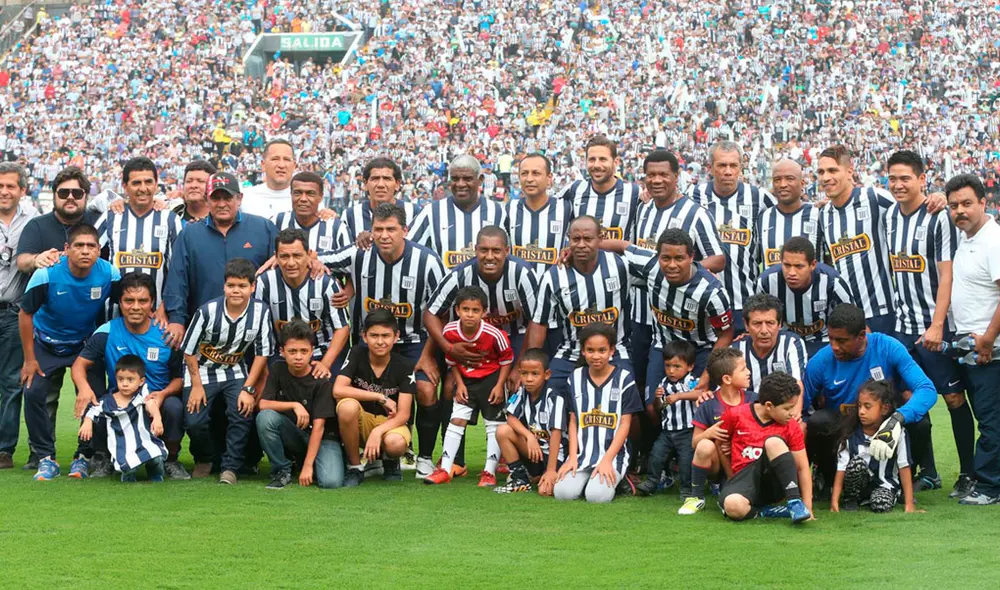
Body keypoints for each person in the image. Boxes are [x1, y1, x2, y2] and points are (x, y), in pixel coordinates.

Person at [320, 203, 444, 479]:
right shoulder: (358, 255)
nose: (384, 235)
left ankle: (423, 456)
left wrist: (426, 355)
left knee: (424, 390)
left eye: (391, 229)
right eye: (378, 229)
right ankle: (372, 458)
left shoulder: (427, 261)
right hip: (370, 340)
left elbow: (441, 312)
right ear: (370, 230)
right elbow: (314, 258)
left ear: (405, 231)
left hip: (413, 341)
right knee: (357, 393)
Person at [885, 150, 963, 493]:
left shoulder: (938, 217)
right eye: (893, 178)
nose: (899, 185)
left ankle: (971, 472)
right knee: (909, 397)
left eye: (906, 178)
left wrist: (937, 323)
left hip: (934, 326)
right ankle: (928, 471)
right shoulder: (887, 215)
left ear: (921, 179)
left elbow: (946, 275)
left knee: (953, 399)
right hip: (902, 327)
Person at [802, 304, 937, 498]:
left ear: (861, 336)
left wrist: (897, 419)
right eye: (830, 338)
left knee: (920, 422)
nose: (834, 346)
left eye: (842, 341)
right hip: (844, 431)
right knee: (817, 422)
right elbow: (800, 406)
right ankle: (830, 480)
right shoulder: (821, 361)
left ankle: (897, 482)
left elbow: (926, 389)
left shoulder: (888, 347)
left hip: (883, 426)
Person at [19, 224, 120, 481]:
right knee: (33, 392)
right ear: (66, 249)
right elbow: (25, 313)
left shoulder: (109, 273)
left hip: (84, 345)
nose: (85, 251)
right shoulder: (47, 274)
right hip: (46, 343)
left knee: (95, 396)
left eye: (91, 246)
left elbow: (129, 303)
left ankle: (83, 456)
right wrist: (30, 359)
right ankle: (45, 457)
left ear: (99, 250)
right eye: (79, 246)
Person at [631, 150, 725, 409]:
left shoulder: (695, 213)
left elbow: (718, 259)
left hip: (685, 320)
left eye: (663, 174)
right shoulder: (644, 209)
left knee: (688, 395)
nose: (657, 180)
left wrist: (678, 277)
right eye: (651, 175)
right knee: (648, 390)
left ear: (676, 176)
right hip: (645, 315)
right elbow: (632, 251)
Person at [70, 272, 186, 480]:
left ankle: (170, 459)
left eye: (143, 301)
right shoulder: (106, 332)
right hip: (121, 400)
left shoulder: (166, 334)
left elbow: (179, 378)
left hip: (156, 401)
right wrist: (84, 389)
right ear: (120, 303)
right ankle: (103, 457)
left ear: (152, 303)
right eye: (129, 300)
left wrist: (163, 394)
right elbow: (79, 365)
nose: (135, 307)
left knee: (174, 407)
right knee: (97, 401)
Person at [180, 258, 273, 484]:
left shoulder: (261, 311)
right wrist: (197, 386)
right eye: (231, 285)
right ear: (224, 286)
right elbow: (188, 351)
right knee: (194, 421)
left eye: (242, 286)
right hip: (200, 370)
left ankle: (231, 467)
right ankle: (205, 458)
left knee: (241, 412)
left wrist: (248, 388)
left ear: (252, 287)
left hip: (235, 370)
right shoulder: (207, 312)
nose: (236, 291)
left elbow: (262, 353)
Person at [163, 172, 277, 348]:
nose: (222, 204)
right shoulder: (190, 235)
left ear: (239, 198)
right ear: (207, 200)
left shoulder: (263, 228)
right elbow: (177, 280)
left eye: (228, 197)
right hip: (205, 330)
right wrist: (177, 319)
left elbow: (284, 262)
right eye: (216, 198)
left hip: (253, 330)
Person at [526, 216, 635, 394]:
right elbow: (540, 322)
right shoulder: (554, 276)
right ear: (568, 240)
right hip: (572, 351)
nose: (581, 245)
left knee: (627, 394)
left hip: (615, 351)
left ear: (600, 238)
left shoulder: (620, 265)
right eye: (576, 239)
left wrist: (620, 245)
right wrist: (532, 363)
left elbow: (654, 264)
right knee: (551, 394)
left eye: (588, 239)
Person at [424, 286, 514, 487]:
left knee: (493, 424)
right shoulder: (449, 331)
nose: (470, 315)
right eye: (466, 309)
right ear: (457, 311)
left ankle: (488, 472)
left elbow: (507, 360)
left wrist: (500, 385)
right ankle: (445, 469)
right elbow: (452, 360)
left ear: (484, 312)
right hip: (467, 381)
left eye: (475, 310)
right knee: (456, 420)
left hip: (492, 380)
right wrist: (460, 383)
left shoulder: (494, 334)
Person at [947, 173, 1000, 505]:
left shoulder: (993, 240)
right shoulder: (968, 238)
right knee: (988, 416)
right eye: (954, 206)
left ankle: (990, 486)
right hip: (971, 346)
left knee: (991, 418)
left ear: (984, 202)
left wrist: (989, 339)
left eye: (967, 203)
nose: (959, 211)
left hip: (989, 350)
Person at [687, 141, 777, 333]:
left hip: (744, 300)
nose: (728, 171)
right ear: (710, 168)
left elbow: (786, 213)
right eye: (721, 165)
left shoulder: (759, 197)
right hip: (703, 300)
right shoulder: (692, 195)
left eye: (733, 165)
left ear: (740, 167)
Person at [554, 323, 641, 503]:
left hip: (613, 455)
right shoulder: (575, 378)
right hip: (582, 455)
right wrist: (571, 457)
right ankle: (588, 480)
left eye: (602, 350)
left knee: (596, 497)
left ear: (612, 351)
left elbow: (625, 424)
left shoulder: (624, 378)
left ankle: (620, 479)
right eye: (590, 350)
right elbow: (573, 421)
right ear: (583, 351)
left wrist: (608, 460)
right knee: (562, 493)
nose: (596, 356)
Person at [256, 320, 343, 490]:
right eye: (292, 351)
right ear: (282, 352)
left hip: (323, 437)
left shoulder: (321, 380)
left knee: (331, 482)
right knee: (265, 418)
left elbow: (319, 427)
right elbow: (263, 404)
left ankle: (311, 461)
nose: (298, 357)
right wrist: (294, 405)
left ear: (312, 352)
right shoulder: (277, 369)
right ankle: (282, 470)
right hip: (296, 433)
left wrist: (308, 466)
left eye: (304, 351)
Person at [94, 156, 182, 322]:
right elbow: (87, 250)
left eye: (148, 182)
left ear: (156, 184)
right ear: (125, 186)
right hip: (114, 317)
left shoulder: (170, 219)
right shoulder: (111, 216)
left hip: (157, 318)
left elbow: (179, 271)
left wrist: (165, 307)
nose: (143, 188)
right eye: (136, 183)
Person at [717, 372, 813, 523]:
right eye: (788, 408)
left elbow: (802, 467)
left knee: (773, 442)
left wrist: (808, 507)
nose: (792, 413)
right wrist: (731, 476)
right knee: (733, 506)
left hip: (774, 484)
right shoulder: (735, 415)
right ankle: (765, 512)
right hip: (744, 481)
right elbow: (720, 444)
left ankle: (795, 503)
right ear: (769, 405)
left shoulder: (791, 425)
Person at [333, 309, 416, 487]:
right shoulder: (356, 353)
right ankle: (355, 466)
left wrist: (379, 431)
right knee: (347, 407)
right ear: (364, 336)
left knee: (395, 443)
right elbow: (338, 389)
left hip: (390, 424)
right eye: (374, 335)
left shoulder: (405, 365)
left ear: (396, 336)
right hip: (362, 420)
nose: (380, 341)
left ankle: (390, 460)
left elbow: (403, 414)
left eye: (386, 336)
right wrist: (380, 397)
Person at [256, 229, 350, 379]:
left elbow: (342, 328)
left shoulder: (325, 283)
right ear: (276, 257)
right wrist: (264, 371)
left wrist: (324, 364)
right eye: (285, 256)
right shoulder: (264, 283)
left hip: (321, 353)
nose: (291, 263)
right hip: (281, 356)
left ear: (309, 254)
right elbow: (259, 331)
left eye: (297, 256)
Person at [682, 347, 756, 515]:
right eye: (743, 369)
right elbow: (694, 442)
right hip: (717, 464)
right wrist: (709, 433)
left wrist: (737, 444)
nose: (749, 372)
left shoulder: (754, 400)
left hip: (746, 462)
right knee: (704, 446)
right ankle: (697, 497)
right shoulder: (708, 404)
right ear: (727, 379)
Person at [757, 237, 855, 357]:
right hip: (783, 344)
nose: (791, 272)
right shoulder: (766, 282)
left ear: (813, 264)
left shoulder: (832, 282)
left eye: (799, 266)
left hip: (823, 344)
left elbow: (852, 321)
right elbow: (757, 318)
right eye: (787, 265)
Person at [407, 155, 506, 270]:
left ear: (480, 180)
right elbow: (409, 249)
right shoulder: (431, 211)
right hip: (445, 287)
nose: (460, 184)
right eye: (455, 179)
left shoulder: (497, 212)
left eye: (467, 179)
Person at [831, 380, 916, 513]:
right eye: (859, 406)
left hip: (884, 485)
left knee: (880, 505)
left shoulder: (898, 433)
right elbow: (841, 469)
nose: (862, 412)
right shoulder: (850, 434)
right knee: (856, 464)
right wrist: (834, 502)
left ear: (884, 408)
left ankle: (881, 498)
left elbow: (904, 466)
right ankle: (851, 499)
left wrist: (909, 504)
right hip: (859, 486)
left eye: (867, 406)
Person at [79, 355, 167, 483]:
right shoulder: (108, 400)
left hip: (144, 441)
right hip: (122, 446)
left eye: (130, 380)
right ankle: (128, 474)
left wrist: (157, 418)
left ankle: (155, 472)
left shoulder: (142, 394)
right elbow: (93, 410)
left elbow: (151, 404)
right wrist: (87, 422)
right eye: (121, 379)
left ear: (141, 381)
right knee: (128, 465)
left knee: (156, 456)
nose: (125, 384)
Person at [0, 161, 36, 469]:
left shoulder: (33, 221)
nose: (4, 191)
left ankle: (4, 449)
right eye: (0, 186)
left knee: (11, 382)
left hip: (12, 311)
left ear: (22, 190)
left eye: (10, 186)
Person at [493, 348, 567, 495]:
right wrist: (529, 436)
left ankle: (546, 474)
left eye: (535, 374)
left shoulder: (555, 398)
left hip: (556, 455)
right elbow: (511, 417)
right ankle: (520, 479)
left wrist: (551, 470)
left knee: (545, 492)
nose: (529, 379)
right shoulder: (522, 391)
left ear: (547, 375)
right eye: (524, 373)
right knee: (503, 430)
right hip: (534, 451)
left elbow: (556, 435)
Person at [635, 340, 699, 497]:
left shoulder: (691, 381)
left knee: (685, 462)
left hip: (687, 431)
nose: (671, 371)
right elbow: (659, 409)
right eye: (668, 366)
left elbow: (700, 394)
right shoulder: (663, 383)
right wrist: (657, 399)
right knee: (656, 455)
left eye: (677, 367)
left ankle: (687, 490)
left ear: (689, 366)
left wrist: (679, 396)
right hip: (667, 431)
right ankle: (651, 481)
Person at [15, 167, 99, 277]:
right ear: (54, 196)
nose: (70, 197)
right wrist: (37, 259)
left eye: (77, 193)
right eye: (63, 193)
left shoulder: (99, 222)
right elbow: (22, 261)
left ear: (86, 197)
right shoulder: (37, 226)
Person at [556, 135, 641, 242]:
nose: (596, 165)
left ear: (616, 162)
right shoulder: (574, 189)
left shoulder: (634, 192)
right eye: (592, 159)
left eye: (602, 159)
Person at [504, 153, 574, 278]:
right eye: (524, 173)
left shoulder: (565, 208)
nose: (529, 179)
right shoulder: (509, 208)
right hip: (519, 291)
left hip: (554, 289)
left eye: (536, 173)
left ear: (549, 178)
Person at [733, 293, 808, 393]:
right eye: (757, 323)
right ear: (746, 325)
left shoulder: (791, 343)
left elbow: (797, 387)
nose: (764, 330)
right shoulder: (735, 350)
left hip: (783, 406)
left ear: (780, 323)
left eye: (770, 323)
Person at [758, 158, 822, 268]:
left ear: (802, 183)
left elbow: (828, 261)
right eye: (777, 179)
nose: (783, 184)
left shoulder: (818, 216)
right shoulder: (763, 218)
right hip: (772, 285)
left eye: (789, 179)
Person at [341, 157, 416, 245]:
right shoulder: (350, 215)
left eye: (387, 179)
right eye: (375, 178)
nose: (380, 185)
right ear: (365, 184)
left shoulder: (414, 213)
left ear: (397, 184)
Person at [273, 171, 348, 257]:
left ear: (320, 197)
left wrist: (317, 260)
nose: (303, 199)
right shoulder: (277, 222)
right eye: (298, 193)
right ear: (291, 195)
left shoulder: (337, 228)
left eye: (310, 194)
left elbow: (350, 264)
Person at [240, 139, 297, 219]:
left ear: (294, 165)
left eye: (286, 159)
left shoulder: (307, 200)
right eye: (275, 159)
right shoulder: (244, 198)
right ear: (263, 165)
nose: (281, 165)